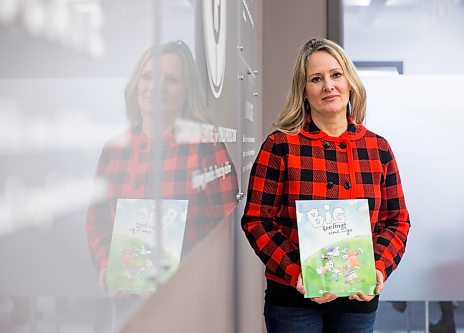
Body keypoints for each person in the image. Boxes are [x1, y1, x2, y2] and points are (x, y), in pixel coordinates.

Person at [241, 38, 410, 333]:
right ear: (304, 91)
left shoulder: (378, 148)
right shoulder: (280, 145)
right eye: (316, 79)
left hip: (358, 299)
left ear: (350, 82)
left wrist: (378, 268)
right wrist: (297, 271)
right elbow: (257, 220)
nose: (328, 86)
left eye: (335, 75)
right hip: (293, 300)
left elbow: (397, 221)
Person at [85, 40, 238, 330]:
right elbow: (97, 221)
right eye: (148, 76)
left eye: (171, 80)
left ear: (186, 92)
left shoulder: (205, 147)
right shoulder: (114, 149)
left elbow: (226, 232)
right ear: (135, 84)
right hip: (128, 301)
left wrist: (187, 278)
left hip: (186, 303)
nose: (155, 87)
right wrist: (108, 266)